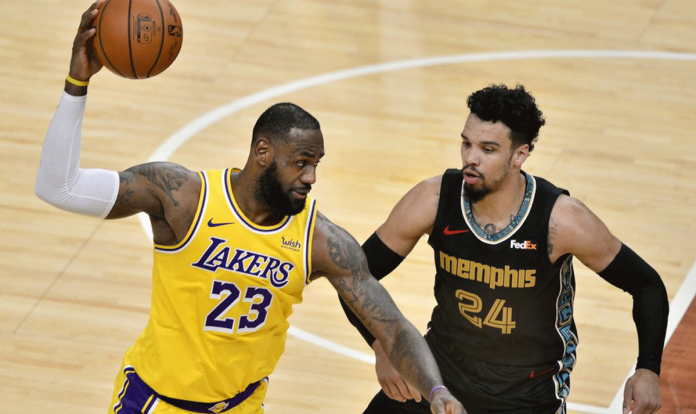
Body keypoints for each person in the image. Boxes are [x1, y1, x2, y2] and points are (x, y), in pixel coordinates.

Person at [34, 2, 466, 414]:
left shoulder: (320, 242)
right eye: (300, 163)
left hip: (242, 405)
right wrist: (77, 84)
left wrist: (437, 390)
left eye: (315, 165)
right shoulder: (183, 197)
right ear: (263, 152)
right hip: (152, 402)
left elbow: (393, 327)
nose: (311, 178)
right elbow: (60, 187)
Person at [339, 83, 669, 414]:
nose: (470, 158)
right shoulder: (433, 199)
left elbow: (647, 284)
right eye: (466, 143)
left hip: (526, 395)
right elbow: (353, 275)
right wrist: (384, 348)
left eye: (488, 149)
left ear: (520, 155)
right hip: (439, 378)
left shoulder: (561, 220)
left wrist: (648, 369)